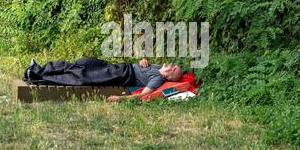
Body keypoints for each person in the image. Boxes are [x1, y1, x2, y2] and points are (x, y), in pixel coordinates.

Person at [23, 57, 183, 102]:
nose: (173, 65)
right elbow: (141, 64)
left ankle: (37, 76)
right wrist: (143, 60)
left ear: (170, 76)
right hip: (119, 66)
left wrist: (120, 99)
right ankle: (39, 69)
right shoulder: (156, 66)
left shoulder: (157, 79)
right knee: (83, 63)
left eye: (174, 69)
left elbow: (143, 95)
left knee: (81, 76)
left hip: (120, 75)